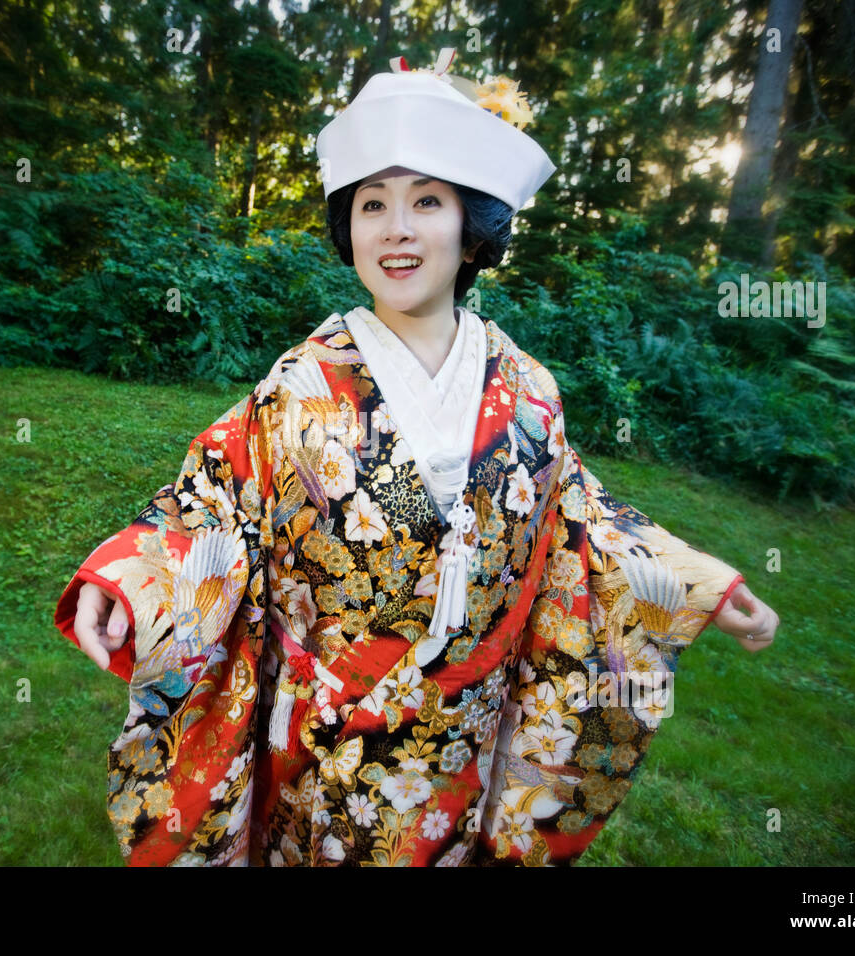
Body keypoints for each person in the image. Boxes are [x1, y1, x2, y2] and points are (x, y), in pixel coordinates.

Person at [53, 48, 779, 867]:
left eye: (426, 201)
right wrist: (137, 582)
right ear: (349, 229)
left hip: (460, 754)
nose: (397, 227)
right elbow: (217, 496)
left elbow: (583, 523)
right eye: (373, 204)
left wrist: (696, 586)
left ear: (472, 228)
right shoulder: (299, 385)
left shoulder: (530, 392)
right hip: (324, 753)